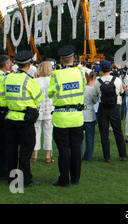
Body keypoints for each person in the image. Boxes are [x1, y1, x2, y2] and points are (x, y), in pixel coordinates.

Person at [0, 50, 44, 188]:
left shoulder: (7, 78)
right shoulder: (29, 80)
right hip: (25, 119)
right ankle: (25, 180)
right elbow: (39, 98)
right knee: (25, 151)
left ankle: (12, 179)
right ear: (29, 64)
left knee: (11, 149)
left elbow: (2, 100)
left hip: (11, 117)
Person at [48, 45, 86, 187]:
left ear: (60, 60)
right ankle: (75, 177)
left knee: (63, 149)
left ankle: (63, 179)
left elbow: (50, 92)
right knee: (76, 148)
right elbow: (82, 87)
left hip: (61, 117)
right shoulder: (81, 73)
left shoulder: (56, 74)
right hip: (77, 116)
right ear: (74, 59)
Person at [93, 60, 128, 162]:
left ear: (100, 69)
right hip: (114, 107)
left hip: (103, 108)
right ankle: (123, 155)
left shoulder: (97, 81)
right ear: (110, 68)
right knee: (118, 132)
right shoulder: (117, 80)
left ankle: (107, 157)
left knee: (104, 134)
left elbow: (95, 95)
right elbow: (121, 92)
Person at [32, 61, 54, 163]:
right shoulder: (52, 80)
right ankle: (47, 156)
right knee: (48, 132)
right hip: (49, 109)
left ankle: (35, 156)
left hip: (38, 108)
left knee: (36, 132)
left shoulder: (36, 81)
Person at [81, 70, 99, 161]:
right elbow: (95, 100)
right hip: (89, 114)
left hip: (79, 114)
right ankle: (88, 156)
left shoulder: (78, 90)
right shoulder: (91, 90)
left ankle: (78, 154)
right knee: (89, 137)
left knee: (79, 138)